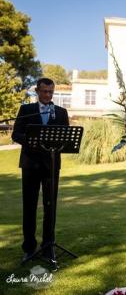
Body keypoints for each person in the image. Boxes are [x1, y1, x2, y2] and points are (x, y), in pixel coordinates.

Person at [12, 78, 70, 263]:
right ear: (37, 91)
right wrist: (31, 141)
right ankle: (29, 248)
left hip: (52, 166)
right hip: (30, 165)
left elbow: (67, 137)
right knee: (29, 207)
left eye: (51, 92)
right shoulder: (26, 110)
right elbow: (16, 134)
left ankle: (48, 246)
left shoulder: (61, 112)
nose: (48, 95)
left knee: (50, 207)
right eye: (44, 91)